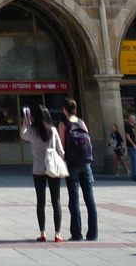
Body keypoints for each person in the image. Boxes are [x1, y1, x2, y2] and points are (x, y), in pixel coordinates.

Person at [21, 104, 66, 243]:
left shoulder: (33, 131)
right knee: (56, 200)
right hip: (53, 168)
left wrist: (25, 120)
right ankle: (57, 234)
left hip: (38, 169)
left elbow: (22, 134)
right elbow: (61, 151)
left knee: (41, 201)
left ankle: (43, 233)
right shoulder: (53, 130)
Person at [59, 98, 98, 242]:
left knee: (74, 199)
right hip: (86, 164)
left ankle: (77, 234)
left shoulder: (63, 124)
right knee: (90, 198)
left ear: (65, 109)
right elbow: (89, 143)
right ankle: (93, 234)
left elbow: (62, 146)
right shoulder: (82, 122)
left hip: (72, 164)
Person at [124, 114, 136, 182]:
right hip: (132, 147)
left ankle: (135, 174)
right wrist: (133, 145)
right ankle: (135, 176)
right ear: (131, 120)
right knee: (135, 161)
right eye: (135, 119)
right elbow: (127, 136)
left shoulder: (133, 127)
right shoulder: (128, 127)